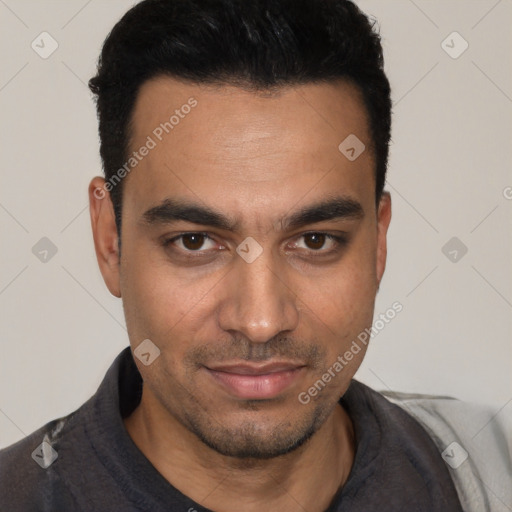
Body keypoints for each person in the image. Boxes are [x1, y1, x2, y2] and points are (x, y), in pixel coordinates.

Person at [0, 0, 510, 510]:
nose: (261, 321)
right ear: (110, 240)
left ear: (378, 242)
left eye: (315, 240)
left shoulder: (490, 470)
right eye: (194, 241)